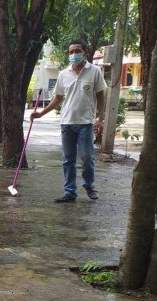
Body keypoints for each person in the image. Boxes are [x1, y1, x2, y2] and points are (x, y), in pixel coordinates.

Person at [31, 39, 106, 203]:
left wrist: (101, 118)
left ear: (84, 52)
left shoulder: (94, 71)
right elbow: (57, 98)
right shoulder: (63, 74)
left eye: (77, 51)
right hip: (67, 123)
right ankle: (70, 192)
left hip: (86, 123)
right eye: (71, 52)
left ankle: (89, 185)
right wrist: (41, 113)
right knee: (68, 160)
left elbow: (101, 95)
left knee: (87, 157)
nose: (74, 54)